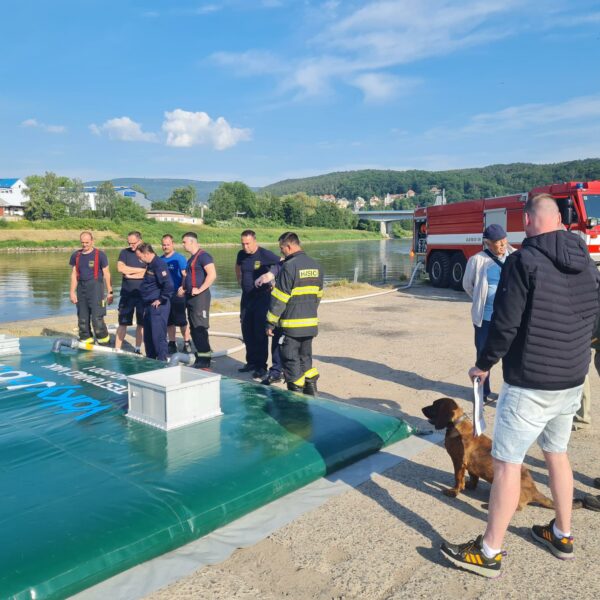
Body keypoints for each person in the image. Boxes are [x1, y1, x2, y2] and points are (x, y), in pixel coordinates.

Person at [441, 194, 600, 578]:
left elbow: (505, 325)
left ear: (529, 221)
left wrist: (483, 365)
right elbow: (595, 323)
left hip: (530, 383)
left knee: (508, 465)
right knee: (556, 454)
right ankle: (562, 534)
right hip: (570, 381)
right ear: (561, 222)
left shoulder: (522, 260)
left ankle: (489, 551)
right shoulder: (588, 263)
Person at [265, 232, 324, 395]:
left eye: (281, 248)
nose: (281, 252)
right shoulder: (316, 266)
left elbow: (280, 299)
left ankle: (295, 399)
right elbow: (317, 297)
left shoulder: (289, 267)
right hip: (310, 324)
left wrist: (270, 322)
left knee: (290, 361)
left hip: (291, 326)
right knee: (305, 359)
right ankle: (311, 393)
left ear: (289, 246)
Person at [462, 224, 515, 402]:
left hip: (509, 317)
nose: (502, 245)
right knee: (483, 355)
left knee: (511, 355)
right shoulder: (477, 260)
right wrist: (480, 299)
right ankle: (483, 392)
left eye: (504, 241)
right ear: (487, 243)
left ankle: (510, 393)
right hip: (485, 317)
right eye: (498, 242)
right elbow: (468, 285)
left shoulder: (515, 256)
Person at [235, 230, 281, 380]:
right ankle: (251, 362)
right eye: (243, 243)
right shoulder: (241, 254)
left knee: (259, 332)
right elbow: (238, 267)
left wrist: (272, 277)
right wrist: (239, 281)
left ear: (255, 241)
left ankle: (261, 366)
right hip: (247, 298)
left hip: (262, 298)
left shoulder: (264, 254)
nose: (245, 246)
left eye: (248, 243)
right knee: (247, 330)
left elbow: (281, 262)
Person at [178, 232, 217, 369]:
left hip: (200, 298)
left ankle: (205, 361)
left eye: (184, 242)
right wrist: (183, 288)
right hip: (190, 297)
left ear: (192, 242)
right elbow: (191, 277)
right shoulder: (191, 259)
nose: (182, 245)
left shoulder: (204, 256)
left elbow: (212, 275)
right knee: (194, 328)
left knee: (200, 328)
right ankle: (201, 356)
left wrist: (199, 289)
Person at [68, 231, 113, 344]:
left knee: (97, 320)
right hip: (81, 289)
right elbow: (74, 274)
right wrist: (72, 292)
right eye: (82, 242)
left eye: (87, 242)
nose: (84, 245)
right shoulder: (76, 255)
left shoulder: (100, 255)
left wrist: (110, 292)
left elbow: (107, 274)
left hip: (96, 290)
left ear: (92, 241)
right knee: (82, 320)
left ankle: (104, 343)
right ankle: (86, 342)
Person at [135, 243, 173, 361]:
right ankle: (150, 360)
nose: (139, 259)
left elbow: (169, 285)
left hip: (158, 307)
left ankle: (162, 361)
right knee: (148, 337)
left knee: (158, 336)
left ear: (146, 254)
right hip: (148, 305)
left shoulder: (159, 264)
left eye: (140, 256)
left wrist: (161, 299)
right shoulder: (150, 264)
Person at [115, 231, 146, 353]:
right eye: (129, 243)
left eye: (134, 243)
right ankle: (117, 348)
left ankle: (138, 348)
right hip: (127, 294)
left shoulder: (146, 252)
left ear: (140, 240)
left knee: (141, 323)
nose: (131, 245)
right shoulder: (124, 252)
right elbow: (120, 268)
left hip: (142, 294)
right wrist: (140, 271)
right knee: (122, 322)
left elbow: (148, 271)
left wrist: (130, 273)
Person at [161, 234, 192, 354]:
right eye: (164, 245)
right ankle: (172, 343)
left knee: (181, 320)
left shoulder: (179, 258)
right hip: (166, 295)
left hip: (178, 294)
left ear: (172, 244)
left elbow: (185, 275)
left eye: (168, 244)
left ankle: (186, 342)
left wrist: (183, 288)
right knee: (169, 321)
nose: (165, 247)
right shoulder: (160, 259)